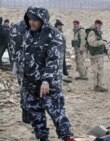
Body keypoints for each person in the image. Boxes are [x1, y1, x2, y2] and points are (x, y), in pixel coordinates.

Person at [20, 6, 75, 141]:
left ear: (42, 20)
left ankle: (67, 137)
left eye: (35, 20)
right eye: (30, 19)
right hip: (30, 85)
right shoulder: (28, 34)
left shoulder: (54, 34)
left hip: (49, 85)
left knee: (57, 113)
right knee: (36, 117)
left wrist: (46, 81)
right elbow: (24, 56)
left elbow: (54, 60)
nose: (32, 22)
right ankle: (43, 138)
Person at [86, 20, 109, 92]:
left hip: (97, 54)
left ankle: (98, 85)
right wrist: (102, 42)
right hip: (95, 55)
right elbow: (92, 43)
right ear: (95, 24)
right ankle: (97, 86)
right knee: (97, 71)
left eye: (100, 25)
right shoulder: (92, 32)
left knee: (98, 70)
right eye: (99, 25)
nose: (100, 27)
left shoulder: (96, 32)